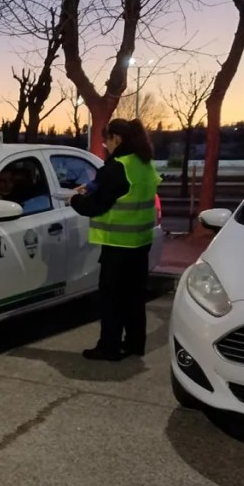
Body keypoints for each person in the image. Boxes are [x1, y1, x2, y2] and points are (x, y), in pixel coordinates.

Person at [68, 118, 160, 361]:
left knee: (111, 299)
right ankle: (134, 344)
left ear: (116, 138)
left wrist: (74, 201)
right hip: (140, 242)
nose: (105, 145)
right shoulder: (143, 163)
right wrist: (89, 188)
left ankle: (108, 347)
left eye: (106, 140)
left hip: (118, 245)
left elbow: (96, 205)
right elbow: (106, 187)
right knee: (134, 297)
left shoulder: (117, 166)